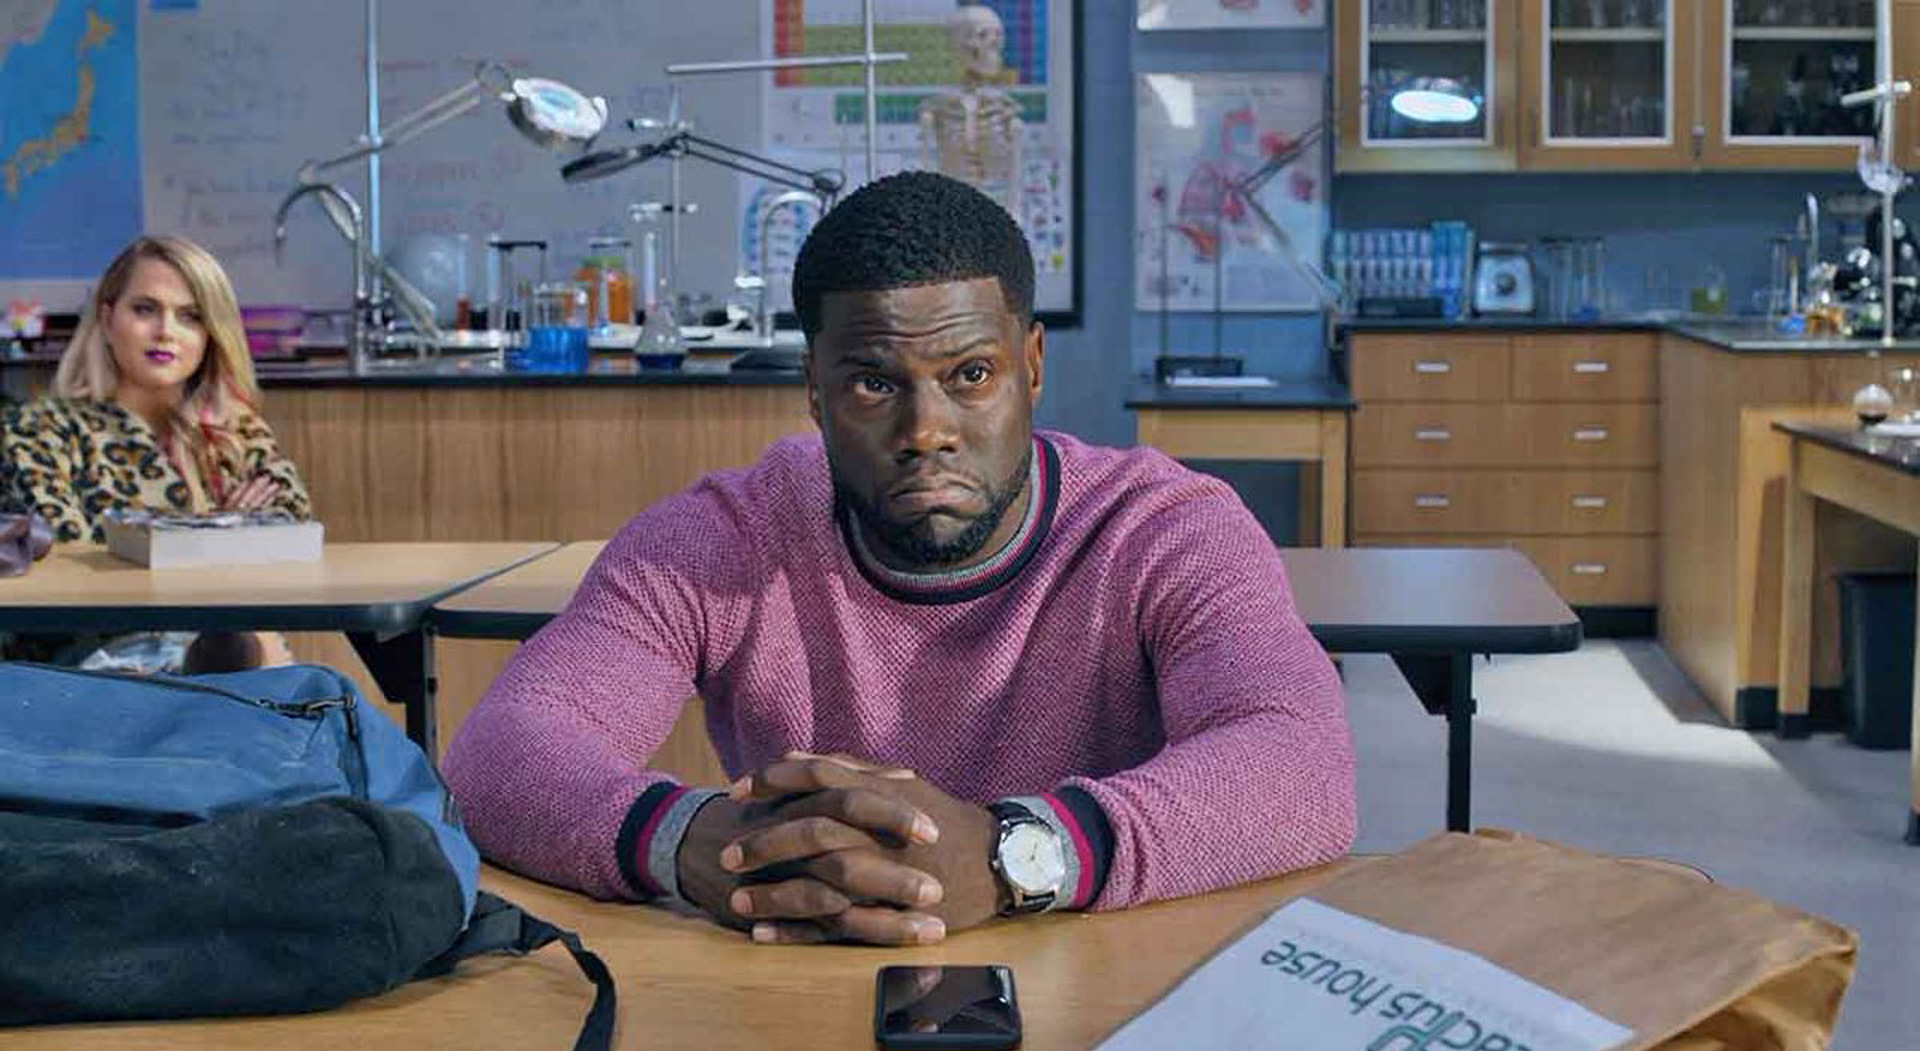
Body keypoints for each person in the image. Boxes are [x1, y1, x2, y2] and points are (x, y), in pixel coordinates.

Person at [444, 172, 1354, 946]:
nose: (926, 431)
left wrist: (1014, 854)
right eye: (875, 384)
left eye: (971, 376)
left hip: (1096, 981)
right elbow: (501, 751)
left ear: (1032, 365)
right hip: (798, 987)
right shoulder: (720, 540)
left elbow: (1303, 761)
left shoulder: (1162, 530)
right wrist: (692, 840)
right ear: (814, 389)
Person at [1, 234, 310, 671]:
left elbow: (291, 530)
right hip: (96, 664)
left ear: (210, 334)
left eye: (190, 316)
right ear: (107, 318)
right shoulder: (39, 429)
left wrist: (154, 540)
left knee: (300, 684)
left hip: (239, 652)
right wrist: (220, 531)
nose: (166, 331)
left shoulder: (236, 430)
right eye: (145, 309)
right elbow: (68, 564)